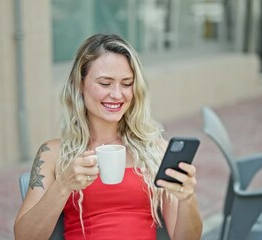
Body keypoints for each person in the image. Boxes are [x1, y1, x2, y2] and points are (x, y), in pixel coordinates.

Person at [14, 33, 203, 239]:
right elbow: (24, 236)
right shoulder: (53, 153)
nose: (116, 94)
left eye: (126, 83)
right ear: (80, 84)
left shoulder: (155, 150)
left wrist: (187, 198)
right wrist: (63, 185)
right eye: (105, 83)